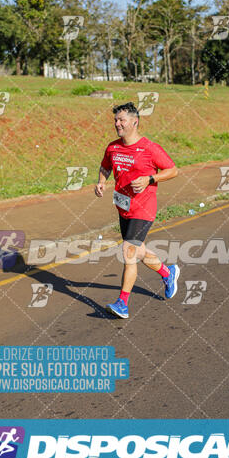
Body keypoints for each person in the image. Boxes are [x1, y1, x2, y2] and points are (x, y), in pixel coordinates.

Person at [95, 102, 180, 319]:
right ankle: (168, 273)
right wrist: (101, 182)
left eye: (121, 120)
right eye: (116, 120)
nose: (117, 124)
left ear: (135, 122)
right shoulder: (113, 147)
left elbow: (172, 170)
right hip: (123, 206)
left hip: (144, 208)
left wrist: (151, 178)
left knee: (128, 251)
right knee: (138, 250)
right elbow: (106, 166)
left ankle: (122, 303)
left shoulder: (149, 148)